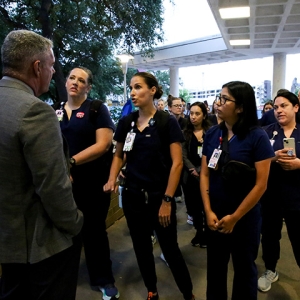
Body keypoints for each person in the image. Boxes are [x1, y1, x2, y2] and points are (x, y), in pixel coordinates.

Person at [0, 30, 83, 299]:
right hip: (39, 246)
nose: (53, 70)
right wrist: (75, 222)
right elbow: (53, 187)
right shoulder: (35, 111)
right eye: (51, 64)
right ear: (37, 67)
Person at [103, 72, 195, 300]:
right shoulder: (127, 122)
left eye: (138, 87)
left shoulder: (166, 121)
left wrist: (167, 200)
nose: (132, 92)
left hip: (159, 196)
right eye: (131, 88)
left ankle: (188, 293)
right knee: (141, 247)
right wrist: (112, 177)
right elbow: (118, 155)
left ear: (152, 90)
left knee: (170, 248)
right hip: (134, 197)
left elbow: (177, 164)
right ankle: (151, 290)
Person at [200, 81, 274, 300]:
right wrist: (208, 211)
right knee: (215, 269)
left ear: (240, 107)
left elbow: (261, 184)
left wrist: (235, 217)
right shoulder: (213, 134)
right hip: (215, 215)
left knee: (244, 270)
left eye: (225, 99)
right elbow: (204, 174)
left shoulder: (257, 136)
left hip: (245, 218)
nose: (218, 102)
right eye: (218, 97)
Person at [54, 67, 118, 300]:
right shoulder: (56, 111)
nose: (75, 82)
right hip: (63, 184)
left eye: (81, 81)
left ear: (88, 87)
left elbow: (103, 145)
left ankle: (103, 279)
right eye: (72, 78)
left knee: (94, 232)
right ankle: (63, 279)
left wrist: (69, 162)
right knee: (64, 233)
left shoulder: (96, 109)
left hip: (92, 183)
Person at [258, 91, 300, 292]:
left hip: (297, 196)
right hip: (271, 195)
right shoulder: (266, 132)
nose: (279, 110)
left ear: (296, 107)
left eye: (284, 106)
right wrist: (272, 157)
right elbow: (255, 160)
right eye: (276, 107)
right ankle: (270, 269)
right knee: (269, 235)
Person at [182, 102, 211, 248]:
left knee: (206, 205)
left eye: (197, 113)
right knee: (194, 207)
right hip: (190, 177)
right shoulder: (185, 133)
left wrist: (200, 170)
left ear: (204, 115)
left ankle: (207, 233)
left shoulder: (211, 132)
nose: (193, 117)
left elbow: (214, 153)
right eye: (191, 113)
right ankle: (199, 231)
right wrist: (193, 169)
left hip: (207, 175)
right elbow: (183, 155)